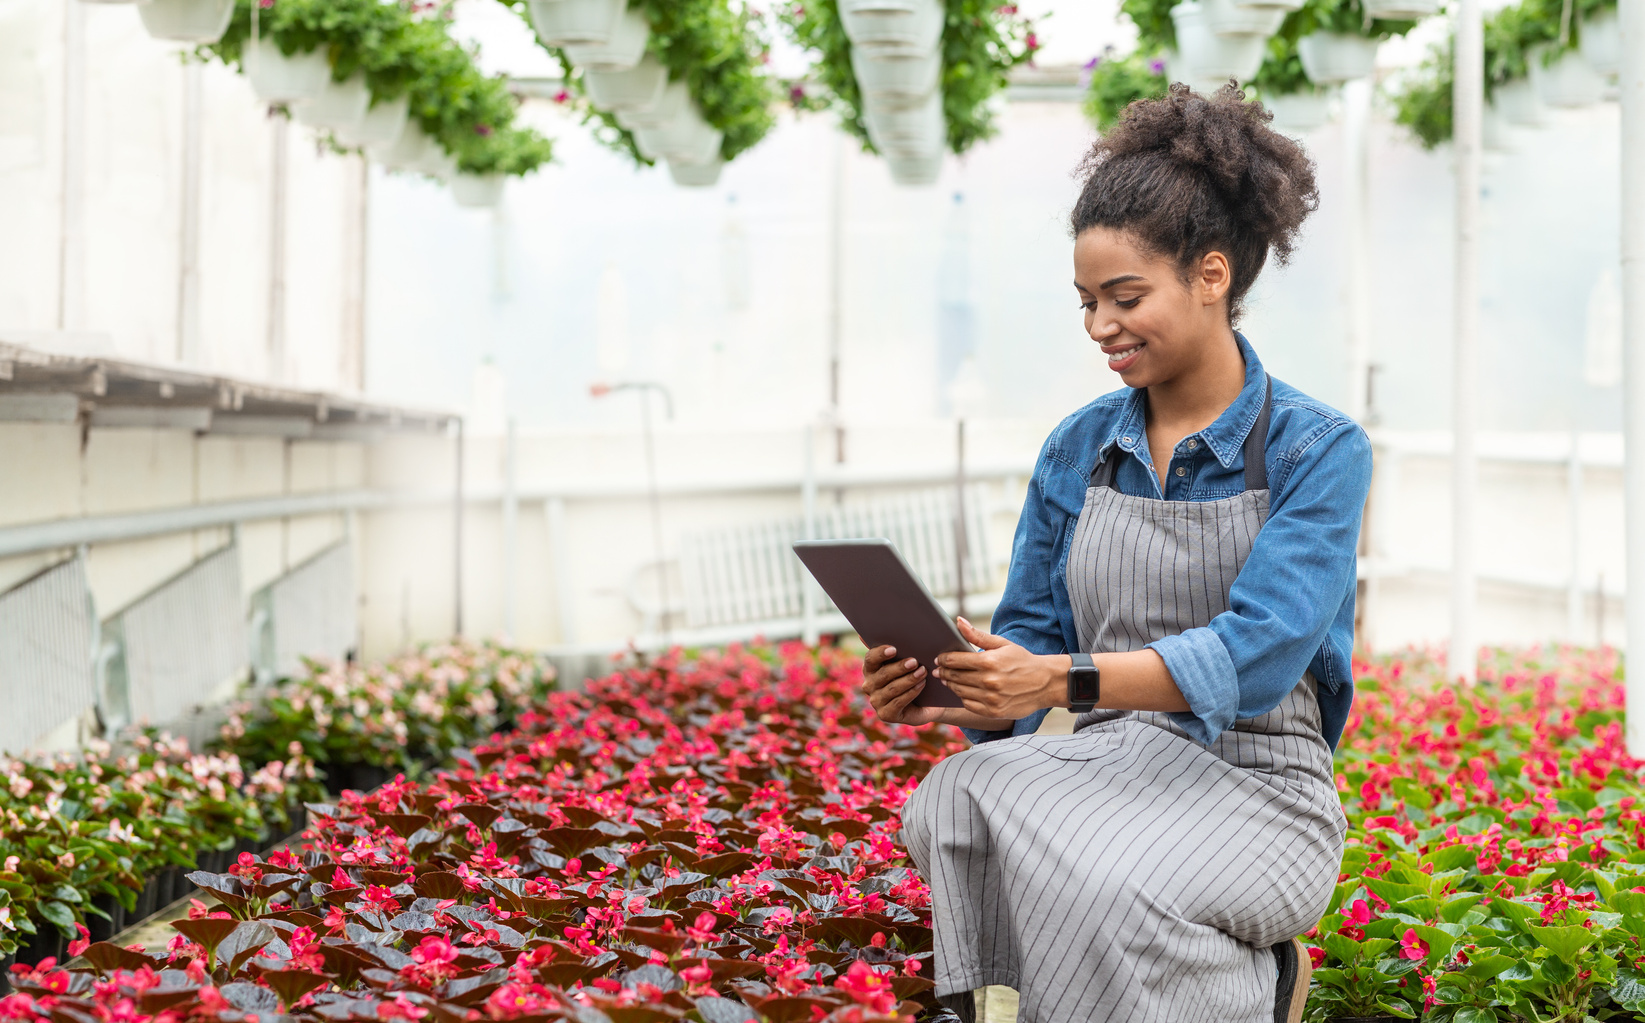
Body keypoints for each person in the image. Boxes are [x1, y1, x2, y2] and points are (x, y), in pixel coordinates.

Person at [862, 84, 1371, 1023]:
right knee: (953, 797)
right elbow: (1029, 635)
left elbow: (1258, 654)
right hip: (1112, 763)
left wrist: (1055, 682)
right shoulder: (1078, 447)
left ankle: (1252, 992)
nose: (1100, 325)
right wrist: (956, 684)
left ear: (1210, 276)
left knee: (1103, 881)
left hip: (1259, 783)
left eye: (1124, 296)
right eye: (1087, 300)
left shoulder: (1314, 448)